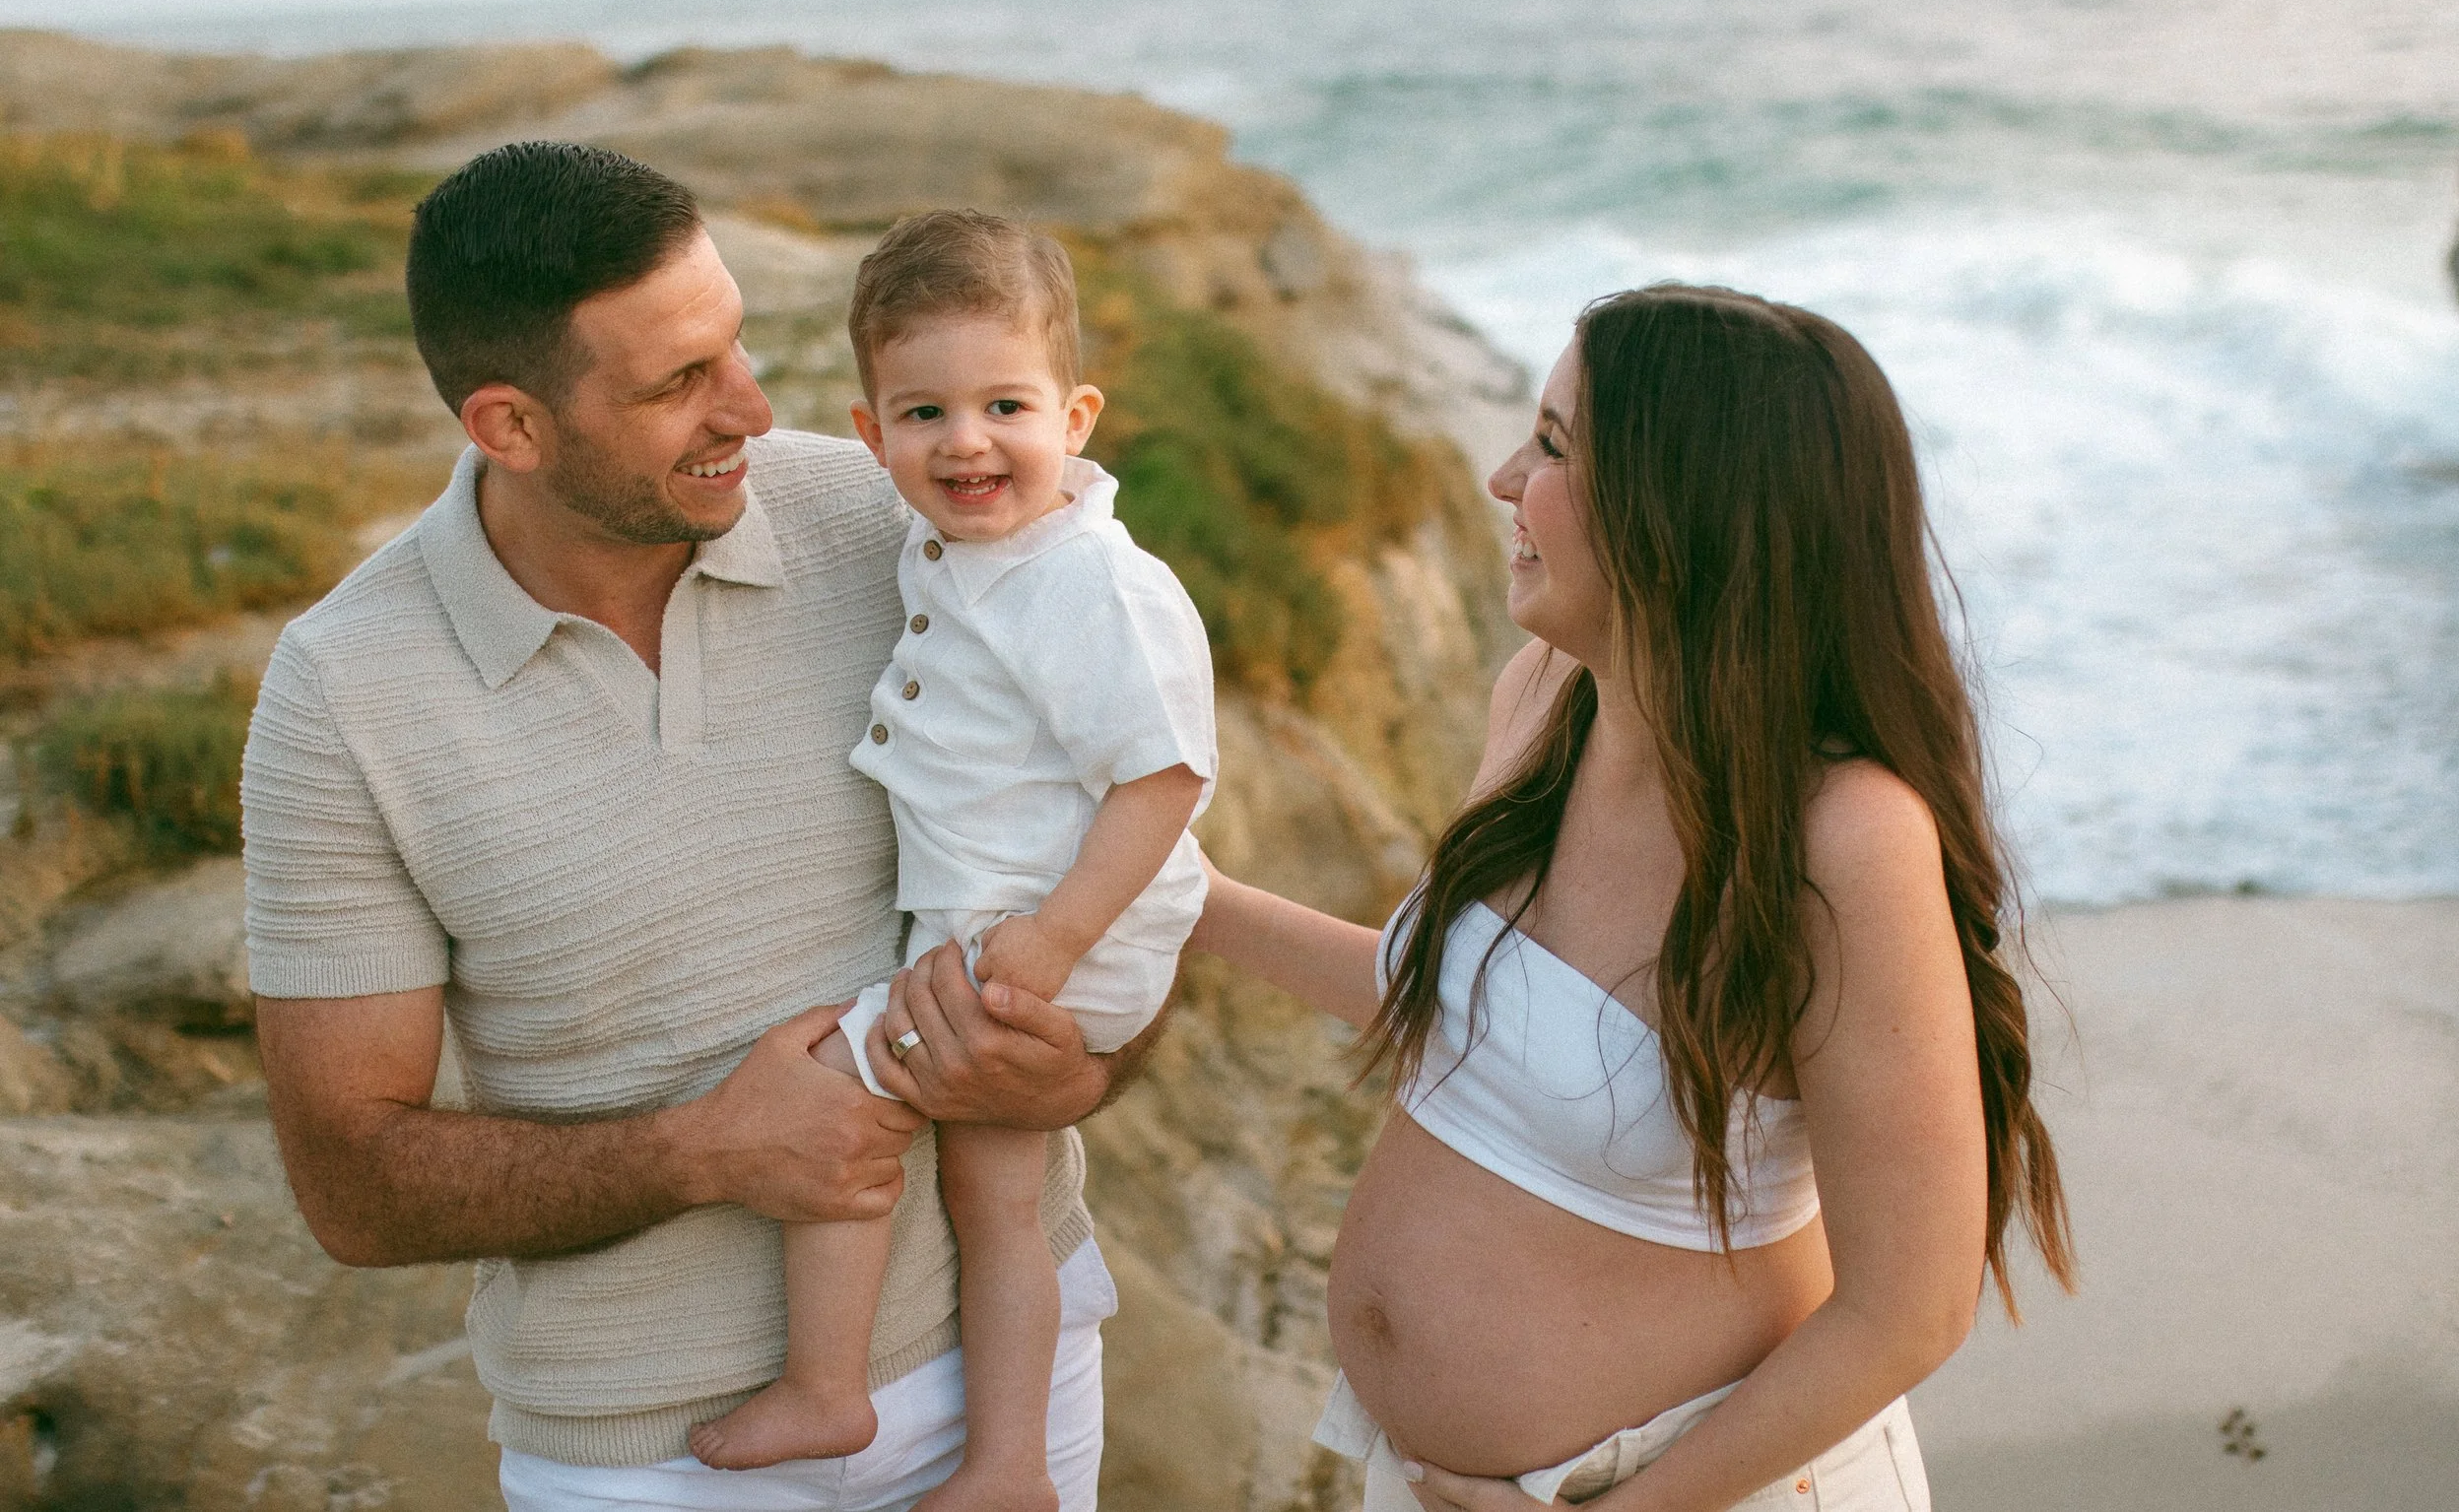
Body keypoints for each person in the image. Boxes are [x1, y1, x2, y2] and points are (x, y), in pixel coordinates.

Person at [242, 143, 1155, 1512]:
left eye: (732, 346)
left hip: (1004, 1391)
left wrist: (1083, 1069)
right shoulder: (343, 693)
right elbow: (352, 1183)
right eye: (679, 384)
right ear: (509, 426)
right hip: (643, 1463)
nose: (754, 404)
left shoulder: (892, 517)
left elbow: (1126, 859)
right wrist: (703, 1149)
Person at [1190, 285, 2076, 1511]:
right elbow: (1473, 1017)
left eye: (1554, 445)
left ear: (1683, 512)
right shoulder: (1548, 693)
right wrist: (1182, 898)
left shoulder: (1845, 838)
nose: (1503, 477)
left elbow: (1909, 1308)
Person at [687, 211, 1213, 1511]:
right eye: (923, 412)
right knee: (998, 1205)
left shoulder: (1083, 578)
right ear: (871, 439)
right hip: (1004, 931)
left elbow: (1165, 776)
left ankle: (825, 1387)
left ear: (1076, 416)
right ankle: (1011, 1468)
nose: (965, 439)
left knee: (828, 1090)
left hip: (1042, 946)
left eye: (1005, 405)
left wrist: (1058, 939)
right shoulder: (970, 543)